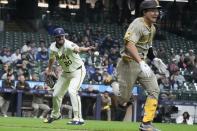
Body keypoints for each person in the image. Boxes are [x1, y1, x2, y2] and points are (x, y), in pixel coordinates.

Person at [111, 0, 166, 130]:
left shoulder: (152, 27)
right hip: (128, 63)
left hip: (142, 64)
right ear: (144, 12)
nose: (156, 13)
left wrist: (153, 59)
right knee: (123, 100)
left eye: (157, 10)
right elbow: (129, 45)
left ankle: (146, 124)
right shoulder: (137, 24)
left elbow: (148, 46)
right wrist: (141, 61)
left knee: (154, 90)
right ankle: (114, 83)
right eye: (152, 10)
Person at [43, 27, 95, 125]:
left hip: (78, 71)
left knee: (72, 91)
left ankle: (78, 119)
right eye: (58, 37)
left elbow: (77, 48)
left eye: (62, 36)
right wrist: (49, 69)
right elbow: (51, 59)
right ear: (55, 38)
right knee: (56, 94)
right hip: (65, 73)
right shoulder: (52, 47)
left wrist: (86, 49)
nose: (61, 38)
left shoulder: (68, 44)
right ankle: (55, 115)